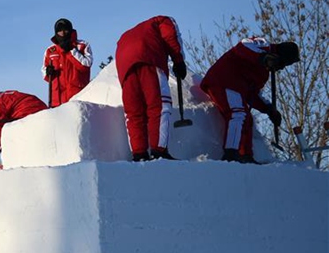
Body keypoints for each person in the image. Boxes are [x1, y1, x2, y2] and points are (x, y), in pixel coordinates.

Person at [200, 37, 299, 163]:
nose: (283, 67)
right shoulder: (263, 46)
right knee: (237, 114)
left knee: (247, 119)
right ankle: (230, 154)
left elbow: (252, 94)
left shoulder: (263, 73)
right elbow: (243, 46)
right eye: (285, 62)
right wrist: (263, 57)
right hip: (223, 81)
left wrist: (269, 109)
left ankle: (245, 155)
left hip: (236, 90)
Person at [115, 15, 187, 161]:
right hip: (147, 56)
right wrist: (178, 60)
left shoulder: (127, 35)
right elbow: (170, 35)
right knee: (159, 106)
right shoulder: (162, 20)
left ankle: (139, 153)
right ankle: (159, 151)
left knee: (134, 112)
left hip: (124, 66)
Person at [43, 18, 93, 107]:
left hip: (78, 98)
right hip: (56, 101)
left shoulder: (82, 45)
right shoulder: (50, 50)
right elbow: (43, 70)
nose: (62, 33)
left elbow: (86, 65)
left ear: (70, 30)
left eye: (65, 30)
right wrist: (47, 72)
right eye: (59, 31)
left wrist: (71, 51)